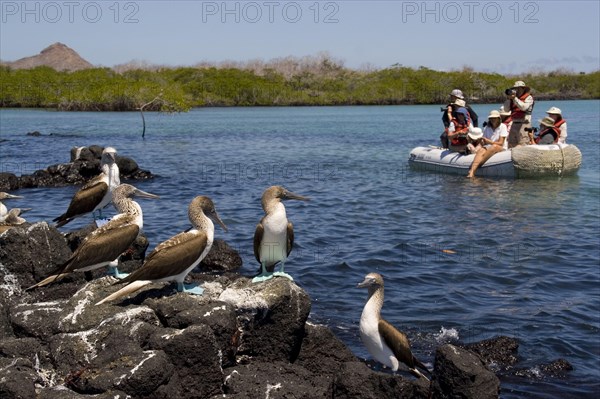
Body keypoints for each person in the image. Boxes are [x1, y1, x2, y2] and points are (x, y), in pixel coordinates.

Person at [467, 110, 508, 178]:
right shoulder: (487, 128)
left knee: (493, 147)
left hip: (500, 147)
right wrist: (482, 141)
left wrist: (489, 141)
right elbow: (485, 142)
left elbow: (501, 143)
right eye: (491, 118)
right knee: (481, 150)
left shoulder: (502, 126)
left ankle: (479, 164)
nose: (493, 120)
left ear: (498, 118)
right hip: (488, 146)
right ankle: (472, 172)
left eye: (494, 118)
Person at [503, 80, 534, 148]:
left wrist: (515, 99)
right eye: (515, 89)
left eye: (519, 88)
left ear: (523, 89)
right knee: (511, 144)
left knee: (523, 145)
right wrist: (508, 99)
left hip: (524, 124)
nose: (517, 90)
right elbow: (506, 109)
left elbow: (523, 107)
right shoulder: (512, 99)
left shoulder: (529, 98)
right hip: (514, 123)